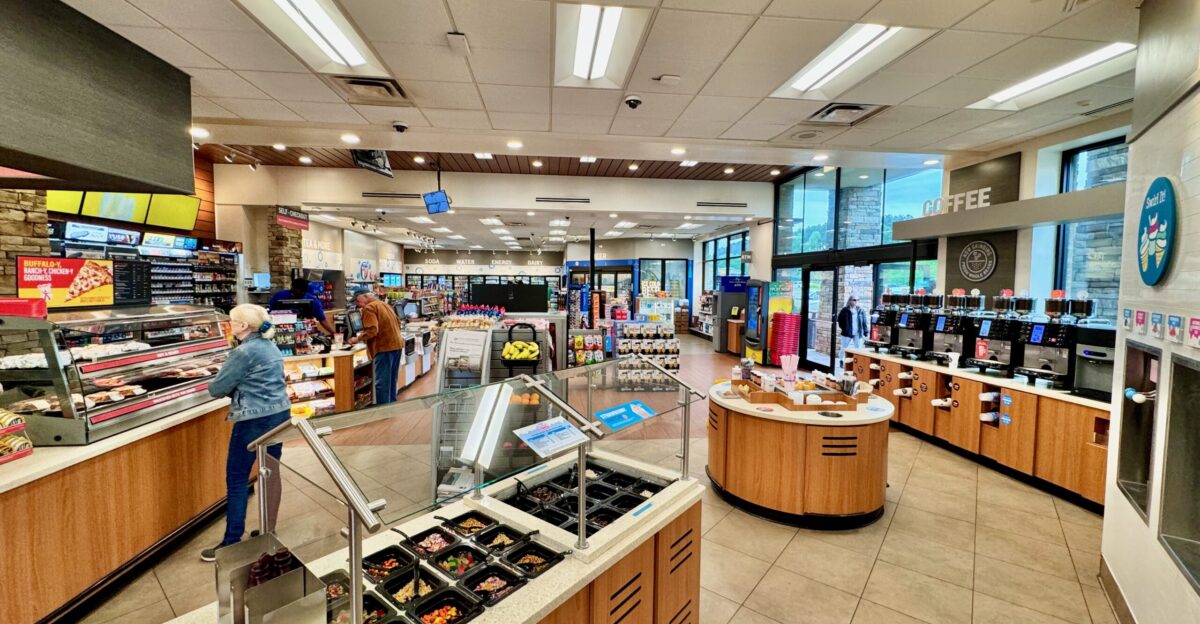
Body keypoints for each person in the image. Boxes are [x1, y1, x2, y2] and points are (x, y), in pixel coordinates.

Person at [200, 304, 292, 562]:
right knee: (270, 474)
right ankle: (268, 530)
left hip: (253, 419)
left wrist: (214, 380)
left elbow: (217, 389)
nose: (229, 324)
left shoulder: (243, 352)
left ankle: (231, 541)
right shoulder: (269, 346)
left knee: (238, 478)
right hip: (280, 415)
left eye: (232, 321)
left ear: (242, 326)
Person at [350, 288, 403, 405]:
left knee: (382, 382)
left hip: (383, 347)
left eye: (358, 301)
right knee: (392, 379)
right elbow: (398, 323)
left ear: (365, 297)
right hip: (397, 345)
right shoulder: (384, 304)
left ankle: (383, 410)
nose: (358, 305)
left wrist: (357, 338)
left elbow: (372, 330)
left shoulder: (369, 308)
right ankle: (391, 405)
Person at [269, 277, 335, 335]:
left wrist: (334, 334)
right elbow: (270, 314)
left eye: (301, 291)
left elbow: (322, 320)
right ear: (292, 288)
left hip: (305, 333)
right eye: (293, 290)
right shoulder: (279, 296)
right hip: (282, 331)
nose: (295, 291)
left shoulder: (313, 300)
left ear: (304, 290)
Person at [837, 295, 869, 360]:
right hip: (847, 332)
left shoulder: (861, 310)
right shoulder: (845, 310)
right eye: (854, 300)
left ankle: (858, 361)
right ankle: (841, 360)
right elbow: (840, 320)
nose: (856, 301)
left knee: (858, 348)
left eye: (857, 300)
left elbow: (864, 322)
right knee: (844, 347)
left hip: (858, 332)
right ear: (850, 301)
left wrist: (866, 331)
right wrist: (845, 328)